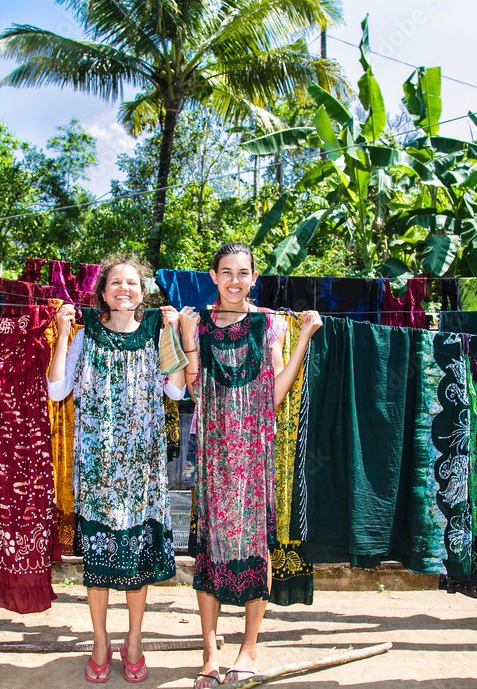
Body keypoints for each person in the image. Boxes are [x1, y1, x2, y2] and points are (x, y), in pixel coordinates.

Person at [179, 243, 322, 687]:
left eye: (243, 273)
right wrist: (184, 334)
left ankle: (248, 647)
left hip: (254, 451)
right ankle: (208, 649)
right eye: (227, 272)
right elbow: (195, 388)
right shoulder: (198, 323)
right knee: (210, 548)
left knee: (254, 547)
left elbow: (275, 394)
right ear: (213, 275)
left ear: (254, 277)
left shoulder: (270, 325)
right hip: (213, 452)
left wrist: (302, 340)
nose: (235, 281)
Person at [47, 255, 186, 684]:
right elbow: (56, 389)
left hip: (141, 472)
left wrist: (174, 333)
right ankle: (100, 640)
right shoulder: (85, 337)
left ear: (142, 293)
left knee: (136, 564)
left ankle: (135, 639)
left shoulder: (154, 333)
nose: (124, 289)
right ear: (102, 291)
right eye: (115, 283)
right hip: (99, 471)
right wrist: (63, 332)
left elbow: (178, 390)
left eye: (132, 283)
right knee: (101, 564)